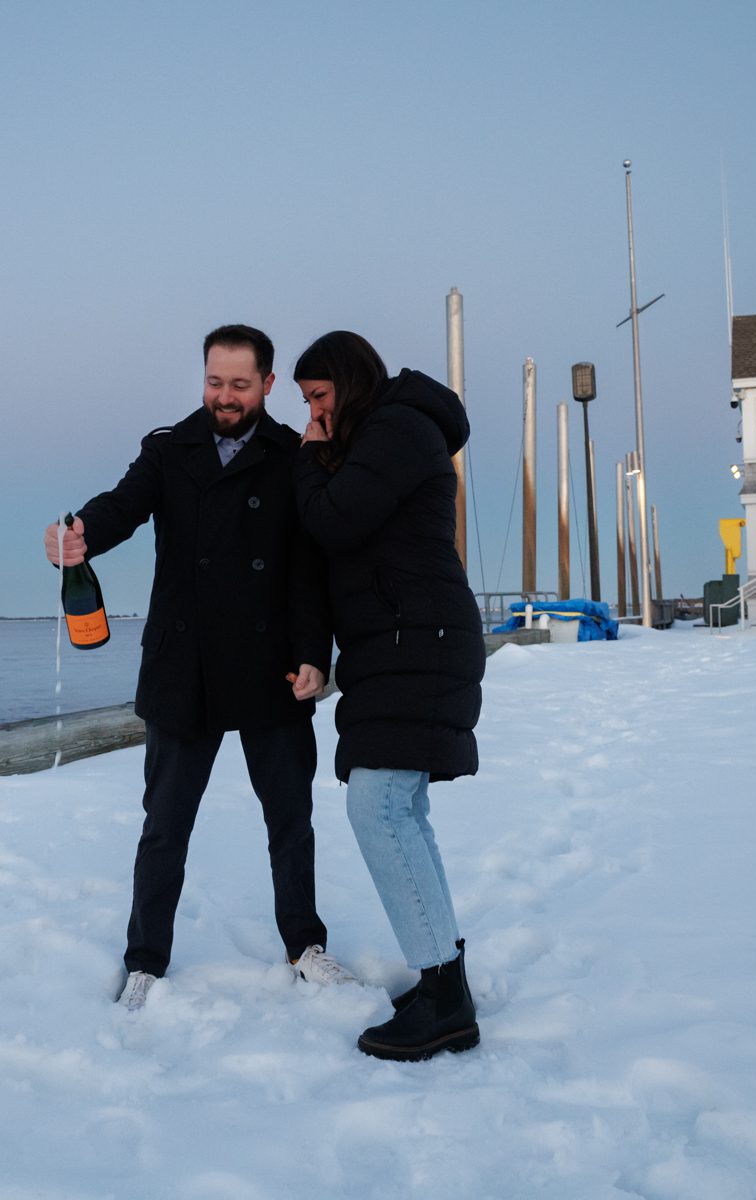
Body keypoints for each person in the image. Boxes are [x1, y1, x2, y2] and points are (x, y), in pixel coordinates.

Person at [44, 324, 352, 1010]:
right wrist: (79, 534)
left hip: (272, 665)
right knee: (165, 826)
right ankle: (145, 959)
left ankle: (305, 947)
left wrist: (314, 653)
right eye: (214, 382)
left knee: (290, 820)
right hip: (184, 666)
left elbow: (308, 568)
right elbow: (121, 506)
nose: (225, 397)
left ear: (268, 385)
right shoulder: (168, 450)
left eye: (240, 385)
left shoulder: (290, 455)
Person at [290, 330, 484, 1062]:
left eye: (319, 397)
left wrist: (308, 455)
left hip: (420, 643)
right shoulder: (388, 431)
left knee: (376, 804)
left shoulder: (399, 428)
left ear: (349, 381)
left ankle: (444, 999)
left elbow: (333, 519)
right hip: (402, 644)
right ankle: (445, 975)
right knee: (400, 806)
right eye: (305, 403)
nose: (314, 414)